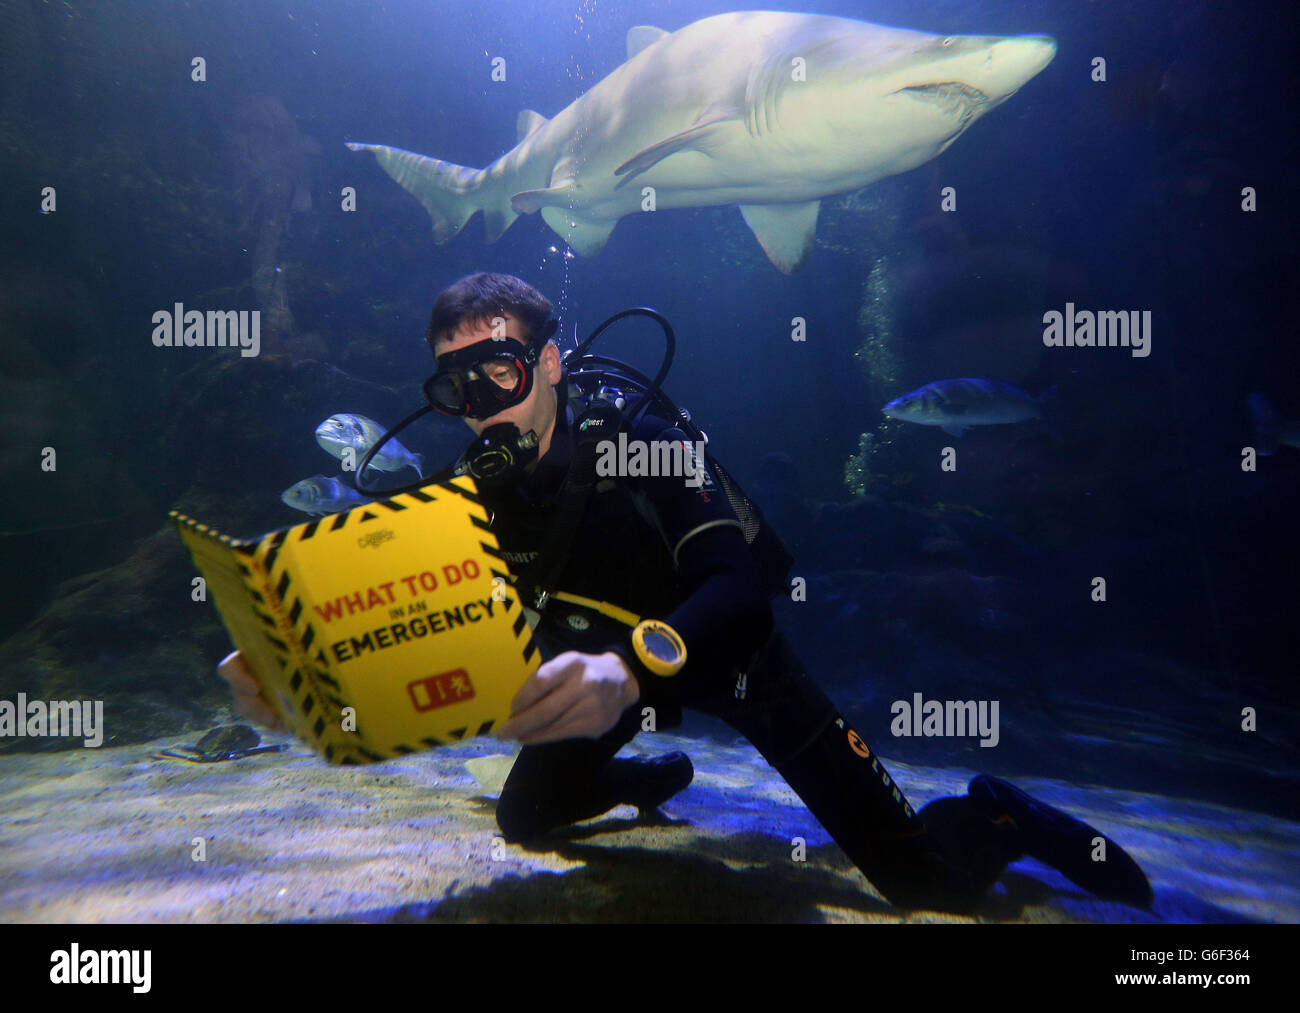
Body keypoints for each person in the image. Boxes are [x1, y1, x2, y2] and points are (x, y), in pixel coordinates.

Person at [220, 272, 1153, 913]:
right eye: (454, 386)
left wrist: (629, 671)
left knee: (925, 886)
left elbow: (738, 587)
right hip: (611, 682)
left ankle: (994, 811)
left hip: (732, 663)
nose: (481, 404)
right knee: (524, 820)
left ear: (548, 362)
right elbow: (426, 632)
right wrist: (303, 673)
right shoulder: (475, 493)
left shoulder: (640, 433)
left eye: (497, 372)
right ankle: (645, 776)